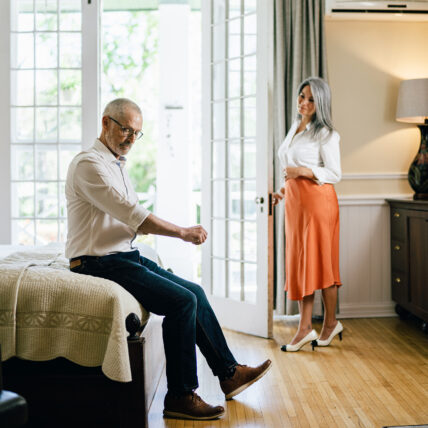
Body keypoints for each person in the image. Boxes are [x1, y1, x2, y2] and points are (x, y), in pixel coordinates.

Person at [65, 98, 271, 420]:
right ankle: (180, 396)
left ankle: (229, 374)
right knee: (181, 302)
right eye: (126, 130)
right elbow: (133, 215)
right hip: (96, 262)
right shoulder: (88, 164)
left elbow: (126, 220)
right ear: (105, 123)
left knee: (195, 293)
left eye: (137, 133)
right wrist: (182, 232)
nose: (131, 139)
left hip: (122, 255)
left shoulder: (116, 164)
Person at [272, 77, 343, 352]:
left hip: (318, 204)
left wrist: (301, 172)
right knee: (300, 263)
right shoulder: (295, 127)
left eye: (311, 99)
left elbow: (335, 173)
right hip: (296, 204)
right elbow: (290, 167)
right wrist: (283, 190)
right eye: (302, 96)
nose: (304, 102)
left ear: (321, 102)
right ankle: (312, 326)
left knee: (321, 263)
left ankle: (321, 325)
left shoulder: (326, 134)